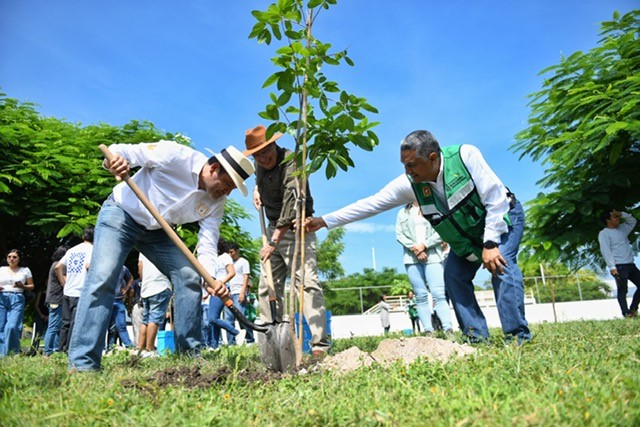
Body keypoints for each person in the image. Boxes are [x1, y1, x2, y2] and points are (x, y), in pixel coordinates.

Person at [305, 129, 531, 344]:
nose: (408, 171)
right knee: (453, 276)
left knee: (501, 265)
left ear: (432, 158)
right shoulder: (410, 184)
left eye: (412, 165)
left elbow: (496, 199)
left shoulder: (465, 156)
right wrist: (325, 221)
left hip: (502, 219)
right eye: (404, 165)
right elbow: (371, 204)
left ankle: (517, 338)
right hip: (466, 237)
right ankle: (476, 337)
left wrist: (491, 243)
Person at [68, 140, 254, 371]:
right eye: (227, 184)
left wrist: (210, 278)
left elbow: (207, 244)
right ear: (214, 168)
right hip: (122, 215)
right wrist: (114, 161)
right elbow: (122, 151)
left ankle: (190, 358)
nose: (227, 192)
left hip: (158, 231)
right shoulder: (175, 155)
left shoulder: (217, 201)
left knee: (189, 277)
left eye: (231, 189)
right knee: (103, 277)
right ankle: (83, 362)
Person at [244, 125, 330, 356]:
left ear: (274, 145)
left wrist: (273, 242)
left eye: (265, 152)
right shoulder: (259, 166)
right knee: (267, 287)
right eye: (257, 155)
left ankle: (320, 344)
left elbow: (292, 204)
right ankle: (273, 345)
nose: (263, 158)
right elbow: (257, 178)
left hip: (297, 228)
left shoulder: (292, 162)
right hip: (273, 229)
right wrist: (255, 190)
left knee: (307, 284)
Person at [396, 202, 453, 334]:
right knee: (420, 296)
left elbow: (442, 230)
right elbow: (399, 235)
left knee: (438, 293)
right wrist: (416, 248)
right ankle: (428, 330)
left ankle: (448, 328)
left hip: (433, 256)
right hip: (411, 258)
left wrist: (425, 245)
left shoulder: (434, 206)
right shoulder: (403, 212)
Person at [57, 227, 94, 353]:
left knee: (66, 322)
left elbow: (58, 267)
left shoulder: (72, 250)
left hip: (68, 291)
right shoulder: (94, 250)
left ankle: (61, 349)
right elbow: (89, 266)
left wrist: (64, 283)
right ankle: (71, 349)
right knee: (76, 322)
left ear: (83, 237)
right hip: (81, 291)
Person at [598, 209, 640, 318]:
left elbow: (632, 221)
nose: (618, 219)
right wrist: (612, 267)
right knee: (623, 290)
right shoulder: (604, 233)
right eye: (614, 217)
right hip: (619, 266)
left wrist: (621, 214)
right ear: (608, 220)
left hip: (631, 264)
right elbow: (605, 250)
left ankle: (633, 309)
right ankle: (626, 313)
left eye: (618, 217)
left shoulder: (622, 229)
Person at [0, 249, 35, 356]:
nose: (11, 259)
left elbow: (32, 286)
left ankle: (12, 352)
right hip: (1, 297)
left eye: (14, 257)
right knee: (0, 327)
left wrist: (22, 286)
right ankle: (2, 355)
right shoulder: (1, 269)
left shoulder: (25, 270)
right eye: (9, 256)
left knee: (12, 326)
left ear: (19, 259)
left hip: (17, 298)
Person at [137, 253, 172, 355]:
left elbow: (140, 265)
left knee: (146, 320)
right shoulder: (164, 244)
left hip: (146, 287)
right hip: (160, 286)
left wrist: (145, 281)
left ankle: (140, 349)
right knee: (154, 319)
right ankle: (149, 350)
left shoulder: (143, 247)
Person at [207, 238, 239, 348]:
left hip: (222, 289)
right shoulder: (214, 258)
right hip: (215, 290)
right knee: (213, 319)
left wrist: (221, 283)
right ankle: (214, 345)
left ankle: (235, 332)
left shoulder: (225, 257)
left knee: (212, 318)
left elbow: (232, 273)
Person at [225, 242, 255, 345]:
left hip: (239, 292)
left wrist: (243, 293)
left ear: (237, 251)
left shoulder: (243, 262)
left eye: (231, 252)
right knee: (228, 319)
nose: (230, 254)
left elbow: (246, 277)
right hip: (228, 294)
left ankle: (250, 340)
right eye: (228, 252)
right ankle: (231, 343)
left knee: (241, 317)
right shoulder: (228, 263)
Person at [43, 246, 68, 355]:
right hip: (56, 299)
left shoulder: (54, 264)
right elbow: (65, 281)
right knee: (53, 327)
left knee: (56, 326)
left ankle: (54, 349)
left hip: (54, 299)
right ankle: (48, 351)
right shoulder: (60, 266)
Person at [106, 265, 135, 350]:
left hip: (119, 300)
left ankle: (129, 347)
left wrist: (126, 288)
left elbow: (131, 278)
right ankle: (110, 347)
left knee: (121, 325)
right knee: (111, 327)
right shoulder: (105, 266)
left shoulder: (123, 268)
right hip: (108, 300)